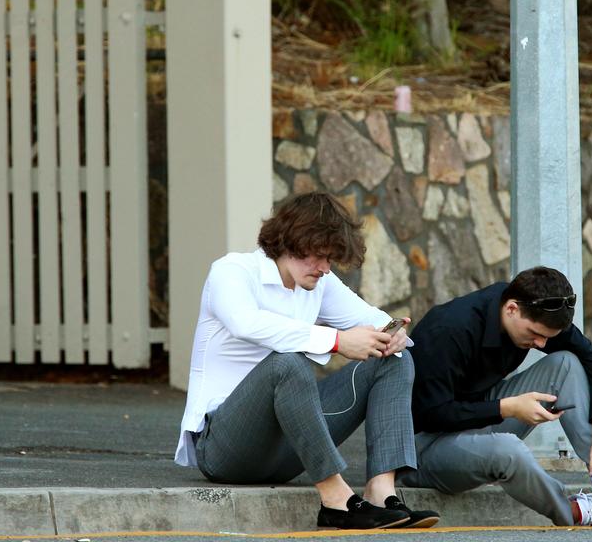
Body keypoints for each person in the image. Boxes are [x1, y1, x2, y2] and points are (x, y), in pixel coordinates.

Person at [175, 192, 439, 530]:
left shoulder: (319, 283)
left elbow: (372, 318)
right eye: (319, 256)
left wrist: (392, 334)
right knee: (288, 364)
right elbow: (247, 323)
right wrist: (337, 341)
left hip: (287, 451)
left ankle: (381, 492)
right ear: (290, 240)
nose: (326, 268)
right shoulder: (232, 271)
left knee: (395, 360)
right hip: (225, 448)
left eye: (331, 259)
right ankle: (336, 501)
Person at [400, 266, 592, 530]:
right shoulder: (450, 329)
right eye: (535, 335)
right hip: (422, 449)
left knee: (566, 363)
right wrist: (508, 408)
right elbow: (432, 413)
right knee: (508, 450)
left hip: (471, 422)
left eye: (546, 337)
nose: (541, 344)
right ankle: (578, 511)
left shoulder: (537, 312)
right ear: (512, 309)